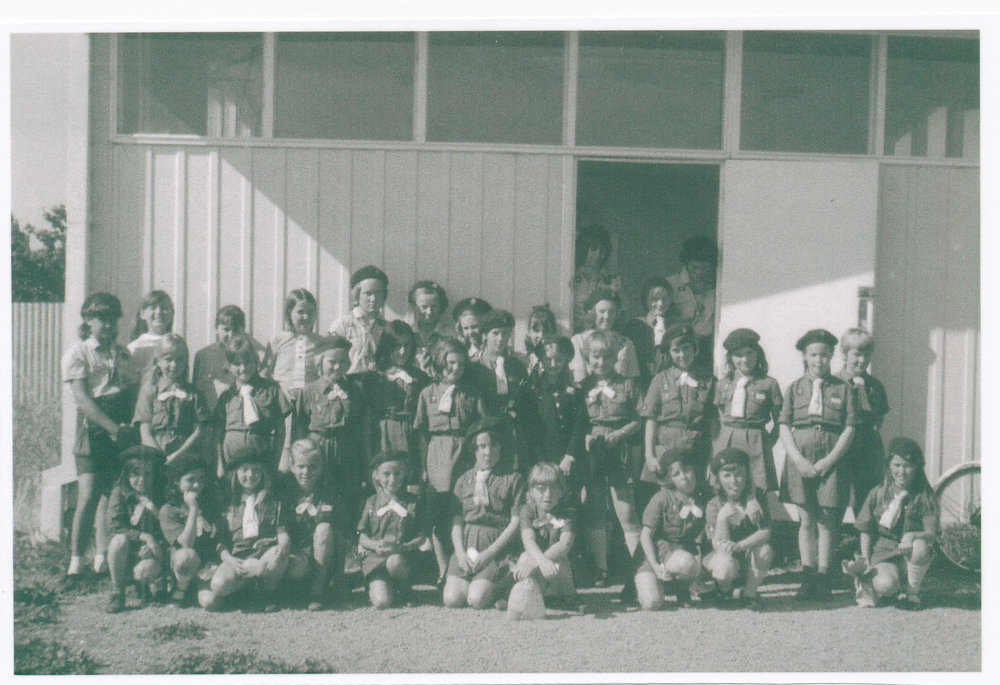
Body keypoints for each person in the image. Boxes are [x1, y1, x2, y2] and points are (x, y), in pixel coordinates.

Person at [779, 328, 857, 600]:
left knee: (827, 521)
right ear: (804, 356)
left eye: (825, 354)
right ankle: (808, 574)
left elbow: (849, 429)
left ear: (832, 356)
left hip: (831, 460)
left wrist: (828, 461)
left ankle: (824, 575)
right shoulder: (794, 388)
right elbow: (784, 427)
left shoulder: (842, 388)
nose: (819, 360)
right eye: (814, 354)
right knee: (806, 520)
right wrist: (797, 459)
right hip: (800, 460)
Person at [63, 292, 136, 577]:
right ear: (88, 320)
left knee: (113, 495)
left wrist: (127, 427)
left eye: (111, 318)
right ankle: (75, 563)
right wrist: (112, 428)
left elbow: (130, 391)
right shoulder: (78, 352)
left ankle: (103, 560)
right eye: (100, 318)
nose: (107, 324)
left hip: (120, 427)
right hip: (94, 428)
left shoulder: (123, 353)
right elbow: (83, 399)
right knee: (90, 494)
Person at [567, 330, 643, 588]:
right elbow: (577, 421)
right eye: (595, 357)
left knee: (626, 510)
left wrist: (620, 434)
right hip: (593, 452)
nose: (601, 363)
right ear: (588, 359)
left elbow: (639, 418)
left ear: (615, 358)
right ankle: (601, 568)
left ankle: (638, 569)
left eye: (607, 357)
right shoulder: (583, 387)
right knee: (596, 508)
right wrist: (587, 437)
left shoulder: (628, 384)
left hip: (618, 449)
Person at [413, 338, 488, 584]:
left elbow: (482, 427)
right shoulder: (427, 393)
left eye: (461, 363)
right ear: (439, 363)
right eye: (451, 363)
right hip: (438, 454)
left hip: (464, 454)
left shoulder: (472, 394)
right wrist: (424, 468)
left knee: (463, 510)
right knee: (439, 513)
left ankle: (464, 563)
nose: (456, 368)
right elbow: (422, 433)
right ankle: (443, 568)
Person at [443, 418, 524, 610]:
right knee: (452, 599)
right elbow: (457, 522)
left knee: (477, 599)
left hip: (497, 550)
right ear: (474, 450)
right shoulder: (463, 480)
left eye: (493, 445)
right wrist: (461, 554)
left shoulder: (512, 479)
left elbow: (515, 522)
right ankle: (480, 583)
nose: (488, 452)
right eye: (482, 446)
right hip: (468, 547)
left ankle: (504, 587)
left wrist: (489, 554)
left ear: (500, 447)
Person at [848, 437, 937, 610]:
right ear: (889, 465)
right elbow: (865, 529)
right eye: (897, 465)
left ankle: (912, 592)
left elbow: (932, 533)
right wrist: (865, 561)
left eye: (908, 466)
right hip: (885, 555)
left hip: (911, 556)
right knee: (885, 585)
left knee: (920, 545)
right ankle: (885, 585)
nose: (901, 471)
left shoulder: (925, 496)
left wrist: (912, 535)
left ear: (917, 467)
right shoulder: (878, 493)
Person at [201, 445, 291, 613]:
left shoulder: (272, 499)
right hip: (236, 557)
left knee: (277, 555)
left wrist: (283, 543)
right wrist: (229, 560)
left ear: (263, 473)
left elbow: (281, 530)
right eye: (245, 470)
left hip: (263, 554)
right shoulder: (226, 501)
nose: (250, 475)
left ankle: (265, 592)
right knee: (219, 586)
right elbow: (218, 540)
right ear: (236, 472)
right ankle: (243, 591)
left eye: (256, 470)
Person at [639, 322, 717, 513]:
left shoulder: (708, 380)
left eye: (686, 348)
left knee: (696, 499)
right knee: (666, 501)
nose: (682, 355)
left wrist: (712, 458)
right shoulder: (660, 380)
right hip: (665, 449)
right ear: (669, 353)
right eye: (676, 350)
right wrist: (649, 455)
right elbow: (651, 419)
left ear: (695, 348)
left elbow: (713, 423)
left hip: (696, 448)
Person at [294, 338, 365, 528]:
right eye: (331, 362)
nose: (337, 367)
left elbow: (361, 426)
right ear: (320, 362)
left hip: (347, 451)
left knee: (348, 495)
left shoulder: (355, 391)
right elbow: (300, 428)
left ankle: (347, 542)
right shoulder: (308, 391)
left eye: (342, 362)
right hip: (319, 451)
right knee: (321, 496)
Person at [263, 289, 332, 471]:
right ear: (289, 313)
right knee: (283, 454)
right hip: (283, 407)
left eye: (310, 312)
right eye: (300, 312)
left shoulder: (321, 342)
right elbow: (265, 373)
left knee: (307, 451)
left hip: (309, 408)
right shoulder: (278, 339)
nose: (305, 316)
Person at [634, 447, 707, 611]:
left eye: (687, 470)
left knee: (687, 563)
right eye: (676, 474)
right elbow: (645, 536)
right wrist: (655, 567)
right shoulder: (661, 499)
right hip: (653, 555)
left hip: (678, 554)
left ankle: (681, 589)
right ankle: (641, 585)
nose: (684, 478)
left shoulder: (702, 497)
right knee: (652, 603)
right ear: (670, 479)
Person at [703, 447, 774, 611]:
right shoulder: (714, 504)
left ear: (746, 475)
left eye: (738, 474)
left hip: (746, 554)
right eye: (726, 475)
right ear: (719, 480)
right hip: (723, 556)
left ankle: (749, 594)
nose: (733, 480)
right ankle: (724, 590)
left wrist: (740, 546)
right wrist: (722, 518)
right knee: (724, 564)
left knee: (765, 551)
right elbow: (718, 544)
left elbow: (766, 531)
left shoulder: (757, 500)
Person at [357, 450, 428, 609]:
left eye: (398, 473)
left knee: (395, 562)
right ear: (376, 475)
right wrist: (375, 545)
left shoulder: (412, 502)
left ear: (406, 474)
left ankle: (404, 590)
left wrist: (404, 547)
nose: (392, 479)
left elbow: (422, 536)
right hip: (376, 559)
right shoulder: (371, 502)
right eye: (386, 474)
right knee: (383, 602)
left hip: (403, 559)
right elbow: (361, 536)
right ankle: (378, 586)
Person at [713, 328, 782, 492]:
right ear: (730, 357)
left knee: (757, 490)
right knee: (727, 489)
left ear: (758, 354)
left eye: (749, 353)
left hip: (756, 443)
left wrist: (766, 443)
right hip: (728, 441)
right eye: (738, 354)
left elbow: (780, 421)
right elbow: (720, 417)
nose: (744, 359)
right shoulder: (723, 384)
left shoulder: (769, 383)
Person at [212, 334, 292, 474]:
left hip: (261, 461)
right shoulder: (226, 396)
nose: (243, 368)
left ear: (256, 361)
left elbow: (280, 430)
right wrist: (220, 466)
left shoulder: (271, 389)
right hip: (232, 463)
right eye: (236, 363)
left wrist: (275, 462)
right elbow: (218, 433)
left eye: (248, 362)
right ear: (229, 366)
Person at [508, 462, 578, 619]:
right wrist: (539, 562)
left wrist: (540, 562)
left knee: (558, 563)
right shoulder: (527, 510)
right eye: (541, 489)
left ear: (562, 491)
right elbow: (528, 539)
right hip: (539, 566)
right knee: (525, 556)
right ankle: (530, 600)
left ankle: (566, 598)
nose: (548, 494)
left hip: (556, 570)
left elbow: (564, 544)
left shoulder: (568, 512)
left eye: (554, 488)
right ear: (531, 491)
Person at [158, 452, 227, 608]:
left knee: (210, 602)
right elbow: (185, 543)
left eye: (201, 480)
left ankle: (199, 589)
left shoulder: (210, 504)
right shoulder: (169, 510)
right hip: (184, 564)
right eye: (190, 480)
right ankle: (181, 589)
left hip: (207, 564)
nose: (197, 485)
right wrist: (193, 509)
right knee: (186, 555)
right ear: (177, 481)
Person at [281, 438, 342, 611]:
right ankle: (293, 590)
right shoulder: (285, 496)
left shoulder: (329, 494)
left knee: (324, 528)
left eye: (312, 466)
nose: (306, 472)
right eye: (301, 466)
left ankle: (318, 591)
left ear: (321, 467)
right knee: (294, 567)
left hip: (322, 558)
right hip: (297, 556)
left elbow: (339, 537)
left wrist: (339, 577)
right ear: (292, 467)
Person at [105, 446, 168, 613]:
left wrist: (155, 545)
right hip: (128, 550)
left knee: (144, 572)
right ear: (127, 475)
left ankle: (148, 585)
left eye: (147, 474)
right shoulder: (119, 493)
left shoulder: (161, 494)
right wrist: (144, 537)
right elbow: (115, 526)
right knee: (118, 540)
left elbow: (168, 527)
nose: (142, 479)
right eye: (135, 474)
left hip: (154, 550)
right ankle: (118, 591)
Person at [367, 320, 430, 485]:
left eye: (407, 346)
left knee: (408, 478)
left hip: (411, 433)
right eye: (397, 346)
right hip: (383, 433)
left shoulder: (420, 377)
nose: (402, 352)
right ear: (387, 346)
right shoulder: (375, 376)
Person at [473, 309, 535, 473]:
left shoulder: (516, 366)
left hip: (511, 429)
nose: (501, 339)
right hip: (485, 428)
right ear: (485, 335)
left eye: (506, 334)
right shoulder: (475, 367)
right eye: (496, 333)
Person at [836, 328, 890, 515]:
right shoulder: (834, 383)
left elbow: (879, 417)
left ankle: (865, 542)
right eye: (856, 354)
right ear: (844, 355)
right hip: (841, 446)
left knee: (867, 500)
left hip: (867, 447)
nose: (862, 360)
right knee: (835, 499)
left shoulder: (875, 386)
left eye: (867, 354)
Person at [134, 334, 209, 466]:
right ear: (157, 361)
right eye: (168, 359)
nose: (174, 365)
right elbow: (145, 431)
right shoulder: (149, 392)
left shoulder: (193, 394)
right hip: (155, 457)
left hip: (185, 457)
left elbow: (199, 431)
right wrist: (159, 457)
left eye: (180, 359)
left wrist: (177, 456)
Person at [192, 304, 264, 415]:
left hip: (238, 417)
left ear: (243, 330)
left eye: (235, 330)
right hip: (211, 416)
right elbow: (197, 390)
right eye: (226, 329)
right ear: (216, 329)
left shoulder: (253, 354)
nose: (230, 335)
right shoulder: (204, 355)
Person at [569, 288, 640, 384]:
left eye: (612, 312)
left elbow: (633, 381)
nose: (607, 316)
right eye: (602, 311)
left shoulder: (625, 344)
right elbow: (579, 379)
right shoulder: (578, 341)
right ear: (592, 312)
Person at [618, 277, 681, 385]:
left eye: (665, 299)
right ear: (646, 300)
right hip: (640, 383)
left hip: (667, 384)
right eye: (655, 299)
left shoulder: (676, 328)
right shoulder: (635, 326)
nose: (660, 304)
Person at [328, 265, 389, 376]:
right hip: (350, 384)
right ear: (357, 295)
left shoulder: (387, 327)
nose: (373, 299)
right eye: (368, 293)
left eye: (378, 293)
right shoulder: (343, 325)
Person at [667, 237, 717, 370]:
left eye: (705, 268)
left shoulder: (717, 288)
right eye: (695, 267)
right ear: (686, 263)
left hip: (705, 348)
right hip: (679, 347)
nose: (699, 273)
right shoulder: (672, 284)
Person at [572, 223, 626, 333]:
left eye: (602, 251)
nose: (598, 255)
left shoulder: (610, 278)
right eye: (593, 249)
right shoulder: (573, 277)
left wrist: (618, 293)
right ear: (584, 249)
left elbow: (623, 309)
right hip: (578, 334)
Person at [126, 290, 176, 387]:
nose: (159, 312)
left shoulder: (176, 344)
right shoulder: (135, 348)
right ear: (142, 314)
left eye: (164, 308)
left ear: (172, 313)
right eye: (153, 308)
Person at [408, 280, 452, 375]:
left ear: (441, 306)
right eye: (424, 307)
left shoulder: (451, 335)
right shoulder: (407, 332)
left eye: (434, 306)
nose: (429, 312)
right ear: (414, 307)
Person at [522, 304, 560, 382]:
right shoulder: (524, 360)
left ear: (553, 332)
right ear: (529, 332)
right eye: (536, 330)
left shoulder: (558, 361)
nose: (541, 335)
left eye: (545, 331)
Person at [451, 297, 492, 361]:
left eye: (474, 327)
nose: (470, 332)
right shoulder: (462, 353)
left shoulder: (496, 349)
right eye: (465, 328)